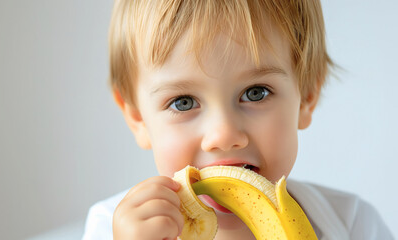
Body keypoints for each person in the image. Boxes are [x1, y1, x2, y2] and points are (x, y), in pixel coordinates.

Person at [82, 0, 393, 239]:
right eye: (184, 102)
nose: (223, 134)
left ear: (307, 96)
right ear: (137, 117)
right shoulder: (111, 227)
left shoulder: (352, 224)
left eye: (256, 92)